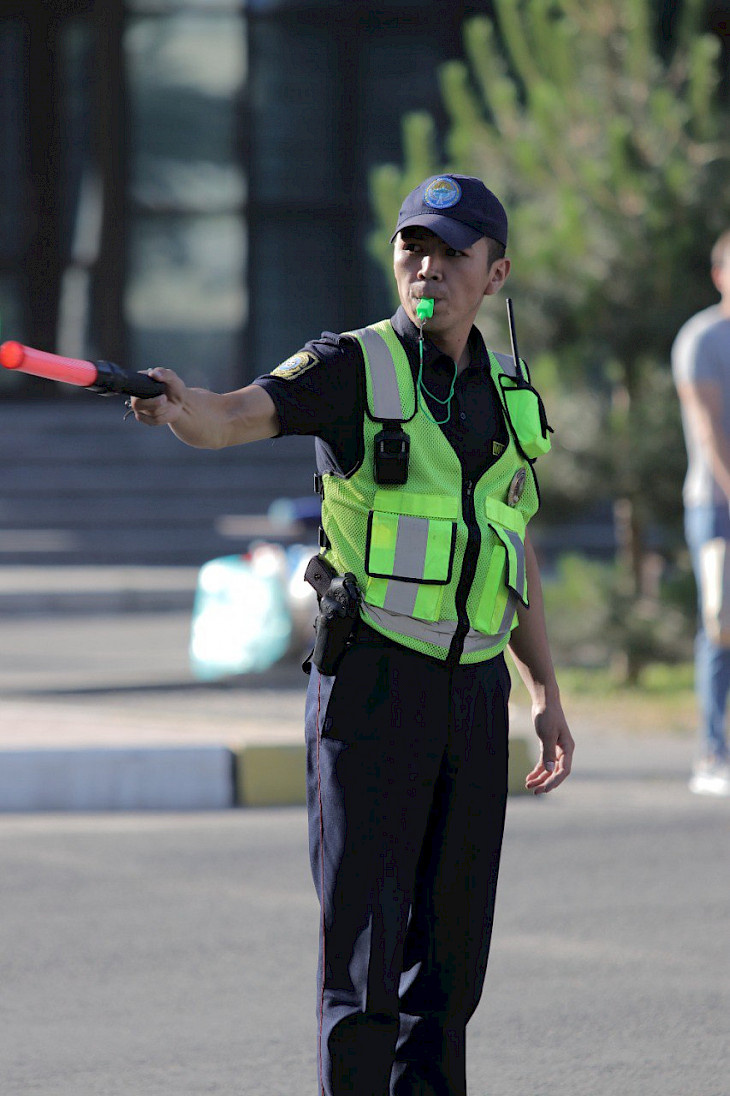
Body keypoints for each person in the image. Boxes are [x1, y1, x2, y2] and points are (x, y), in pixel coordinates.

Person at [131, 173, 575, 1095]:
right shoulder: (350, 365)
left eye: (455, 252)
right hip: (371, 688)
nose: (431, 266)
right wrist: (182, 407)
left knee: (449, 973)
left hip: (472, 695)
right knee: (363, 962)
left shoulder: (509, 396)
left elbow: (510, 545)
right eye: (417, 246)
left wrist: (546, 694)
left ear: (496, 274)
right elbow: (235, 415)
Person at [673, 230, 730, 798]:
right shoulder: (700, 338)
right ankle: (712, 753)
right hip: (714, 507)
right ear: (719, 274)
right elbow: (709, 431)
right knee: (721, 626)